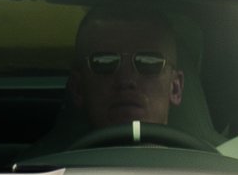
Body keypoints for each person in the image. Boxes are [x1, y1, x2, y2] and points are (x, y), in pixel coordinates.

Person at [66, 8, 186, 137]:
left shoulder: (205, 158)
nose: (126, 80)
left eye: (148, 63)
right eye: (105, 62)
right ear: (78, 88)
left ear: (175, 88)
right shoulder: (51, 157)